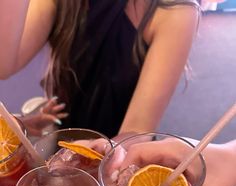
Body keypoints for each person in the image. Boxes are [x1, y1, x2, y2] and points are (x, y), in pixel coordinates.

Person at [0, 0, 200, 138]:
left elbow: (136, 132)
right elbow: (4, 65)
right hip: (65, 130)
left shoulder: (175, 12)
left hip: (119, 150)